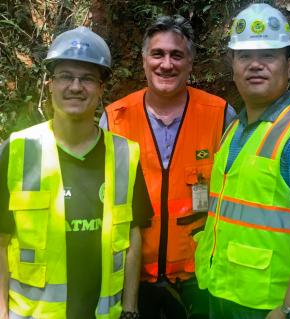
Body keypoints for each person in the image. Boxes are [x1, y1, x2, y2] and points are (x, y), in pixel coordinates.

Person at [194, 3, 290, 319]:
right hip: (223, 294)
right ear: (232, 65)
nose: (255, 65)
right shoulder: (234, 128)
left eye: (268, 55)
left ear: (289, 65)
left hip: (271, 306)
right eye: (245, 56)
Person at [0, 26, 153, 319]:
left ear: (100, 89)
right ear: (51, 84)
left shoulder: (125, 154)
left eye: (87, 78)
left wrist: (131, 308)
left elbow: (133, 236)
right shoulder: (17, 150)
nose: (75, 86)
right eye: (65, 76)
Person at [100, 15, 236, 319]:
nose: (166, 64)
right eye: (158, 54)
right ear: (144, 60)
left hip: (198, 280)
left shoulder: (220, 115)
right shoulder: (115, 118)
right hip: (131, 280)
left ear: (190, 63)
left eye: (177, 55)